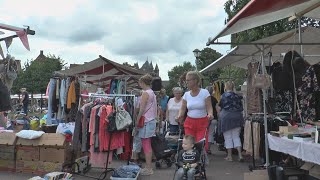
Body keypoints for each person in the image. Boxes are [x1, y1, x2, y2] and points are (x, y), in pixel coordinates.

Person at [177, 71, 213, 151]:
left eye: (188, 80)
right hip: (189, 122)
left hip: (202, 122)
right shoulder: (186, 95)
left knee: (201, 144)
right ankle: (190, 161)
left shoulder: (205, 92)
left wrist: (210, 114)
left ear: (195, 81)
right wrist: (179, 115)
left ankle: (200, 161)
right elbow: (182, 108)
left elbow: (209, 107)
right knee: (189, 144)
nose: (186, 82)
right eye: (186, 80)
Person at [132, 74, 157, 176]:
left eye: (140, 82)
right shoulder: (152, 93)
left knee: (146, 145)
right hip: (151, 121)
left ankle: (149, 168)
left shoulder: (145, 93)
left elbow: (141, 109)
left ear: (142, 82)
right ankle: (148, 167)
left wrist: (137, 122)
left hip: (146, 121)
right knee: (147, 145)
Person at [217, 81, 244, 162]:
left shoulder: (223, 96)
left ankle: (229, 156)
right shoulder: (237, 96)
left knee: (228, 137)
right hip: (237, 117)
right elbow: (241, 108)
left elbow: (220, 106)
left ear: (225, 87)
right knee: (236, 136)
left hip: (226, 117)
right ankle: (240, 155)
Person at [206, 85, 218, 154]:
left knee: (204, 134)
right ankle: (208, 149)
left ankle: (204, 148)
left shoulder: (204, 99)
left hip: (205, 118)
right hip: (214, 118)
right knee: (210, 134)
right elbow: (217, 109)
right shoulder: (214, 99)